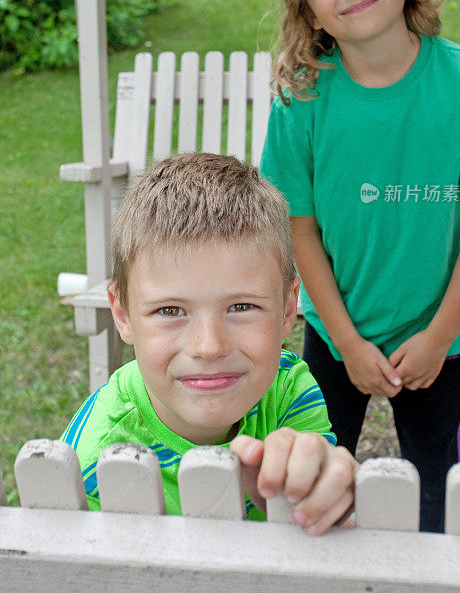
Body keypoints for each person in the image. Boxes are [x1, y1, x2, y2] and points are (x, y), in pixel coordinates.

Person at [260, 0, 460, 533]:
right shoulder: (304, 98)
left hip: (436, 339)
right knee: (311, 493)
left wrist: (436, 337)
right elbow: (300, 228)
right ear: (309, 8)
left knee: (437, 499)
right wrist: (346, 342)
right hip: (335, 335)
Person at [61, 152, 357, 534]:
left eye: (242, 306)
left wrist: (319, 488)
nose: (209, 346)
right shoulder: (94, 464)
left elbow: (326, 523)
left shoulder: (288, 388)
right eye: (170, 311)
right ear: (122, 315)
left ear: (287, 309)